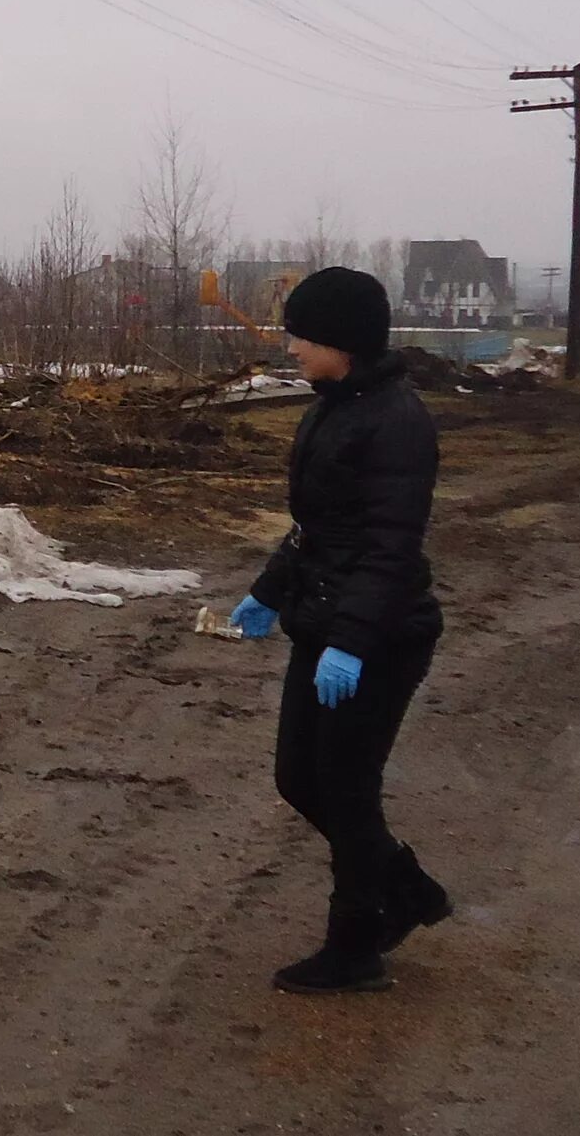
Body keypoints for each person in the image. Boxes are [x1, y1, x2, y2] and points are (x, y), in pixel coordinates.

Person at [226, 266, 453, 994]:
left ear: (343, 342)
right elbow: (318, 527)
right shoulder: (334, 405)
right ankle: (407, 889)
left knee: (346, 787)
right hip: (325, 623)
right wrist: (268, 590)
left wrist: (352, 642)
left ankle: (356, 944)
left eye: (303, 335)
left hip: (378, 637)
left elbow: (388, 546)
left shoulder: (396, 422)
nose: (291, 347)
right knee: (300, 776)